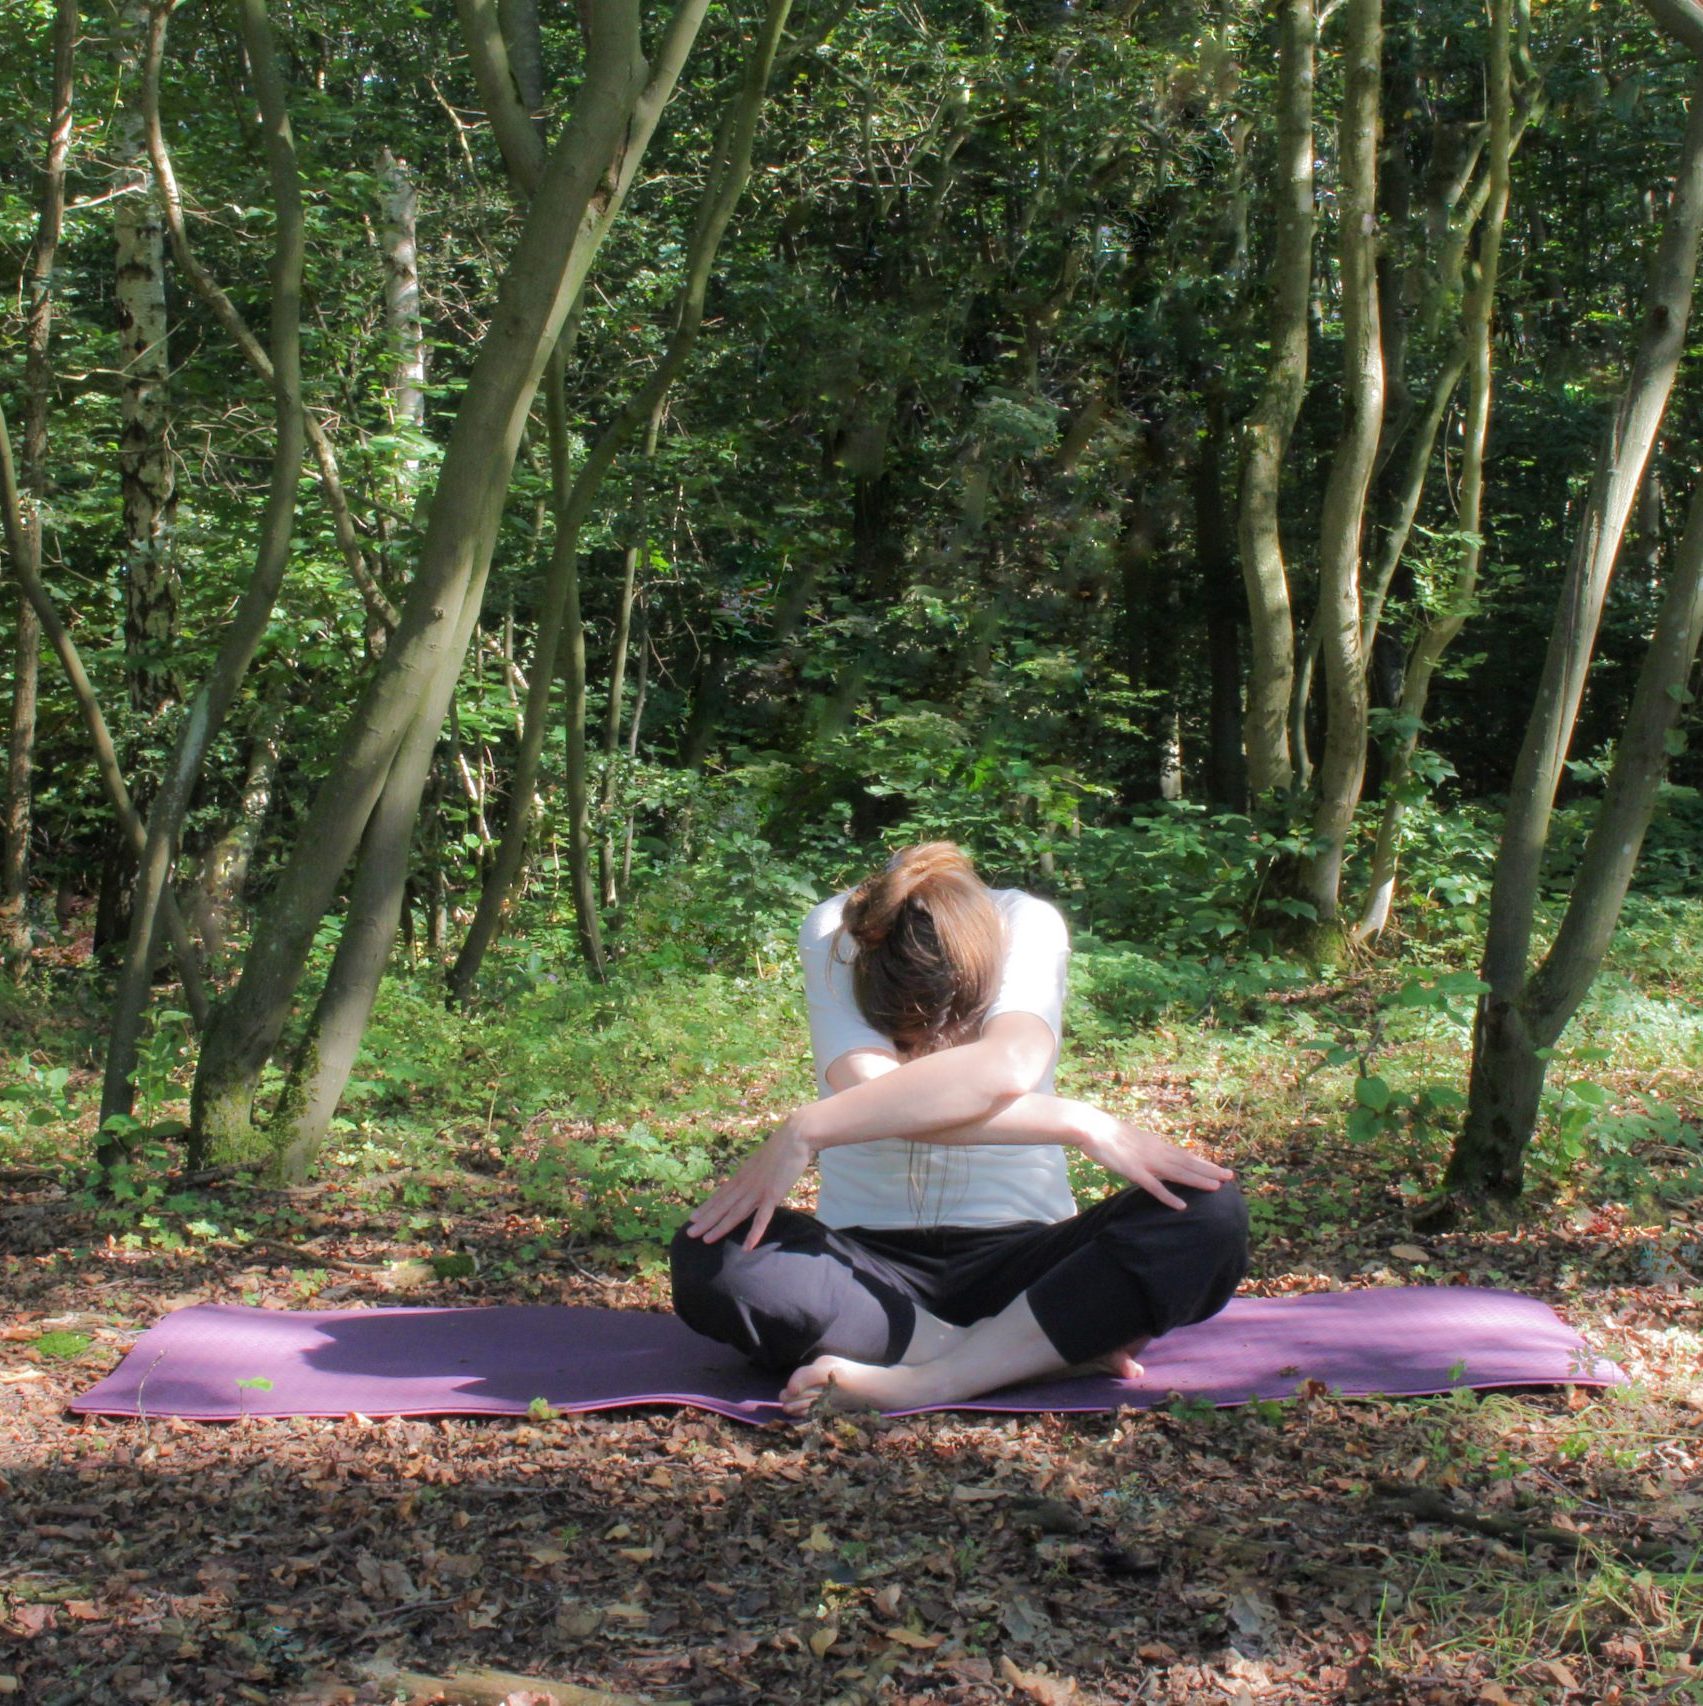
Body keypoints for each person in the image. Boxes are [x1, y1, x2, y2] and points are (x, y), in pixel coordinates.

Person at [670, 842, 1247, 1414]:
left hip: (1029, 1263)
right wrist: (1076, 1122)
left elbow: (1009, 1065)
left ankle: (929, 1380)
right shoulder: (837, 931)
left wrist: (810, 1127)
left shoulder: (1024, 922)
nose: (929, 1043)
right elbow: (875, 1098)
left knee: (1208, 1212)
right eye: (907, 1033)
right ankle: (1017, 1356)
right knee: (713, 1253)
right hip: (868, 1273)